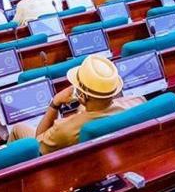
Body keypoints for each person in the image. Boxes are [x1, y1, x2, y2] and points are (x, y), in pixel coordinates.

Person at [8, 55, 144, 153]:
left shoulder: (63, 130)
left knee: (17, 129)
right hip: (111, 155)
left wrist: (55, 103)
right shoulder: (137, 103)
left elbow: (38, 145)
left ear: (83, 96)